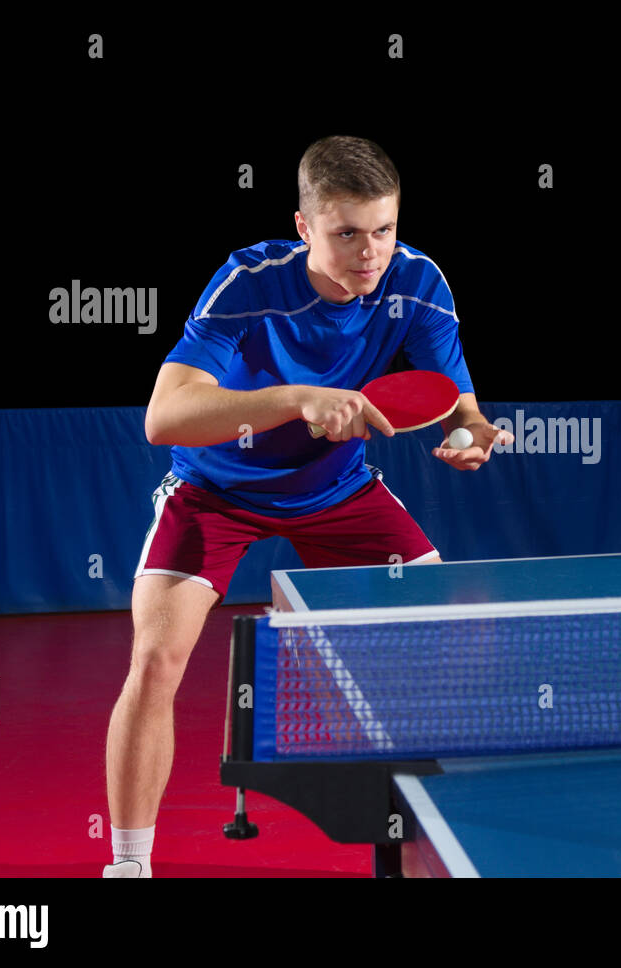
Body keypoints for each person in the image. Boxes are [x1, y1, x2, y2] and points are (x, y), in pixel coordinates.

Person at [103, 136, 512, 877]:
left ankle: (430, 841)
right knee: (157, 658)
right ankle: (128, 866)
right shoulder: (248, 282)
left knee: (450, 634)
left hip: (336, 491)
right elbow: (163, 418)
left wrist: (472, 437)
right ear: (303, 227)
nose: (370, 252)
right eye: (347, 232)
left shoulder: (416, 281)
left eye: (383, 229)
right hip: (216, 490)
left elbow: (460, 406)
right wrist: (297, 400)